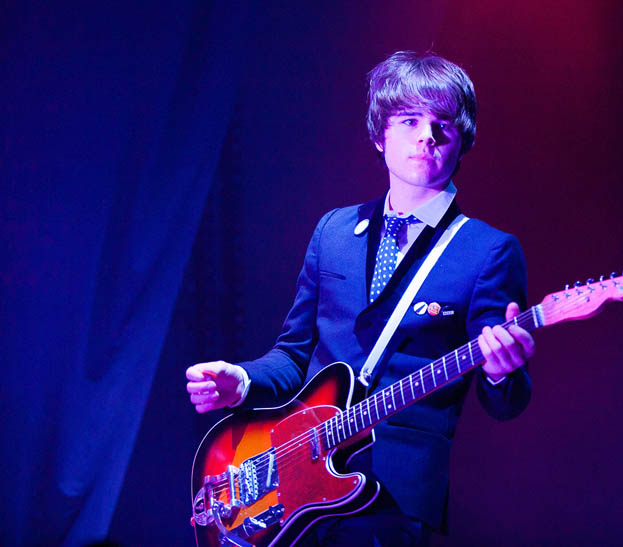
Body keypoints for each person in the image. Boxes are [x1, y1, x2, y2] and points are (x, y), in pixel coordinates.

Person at [186, 50, 536, 546]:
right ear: (380, 134)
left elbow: (506, 400)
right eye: (409, 120)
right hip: (299, 482)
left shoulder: (487, 250)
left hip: (393, 496)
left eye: (443, 124)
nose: (426, 136)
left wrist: (502, 369)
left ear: (464, 141)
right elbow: (293, 355)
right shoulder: (333, 230)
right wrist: (242, 380)